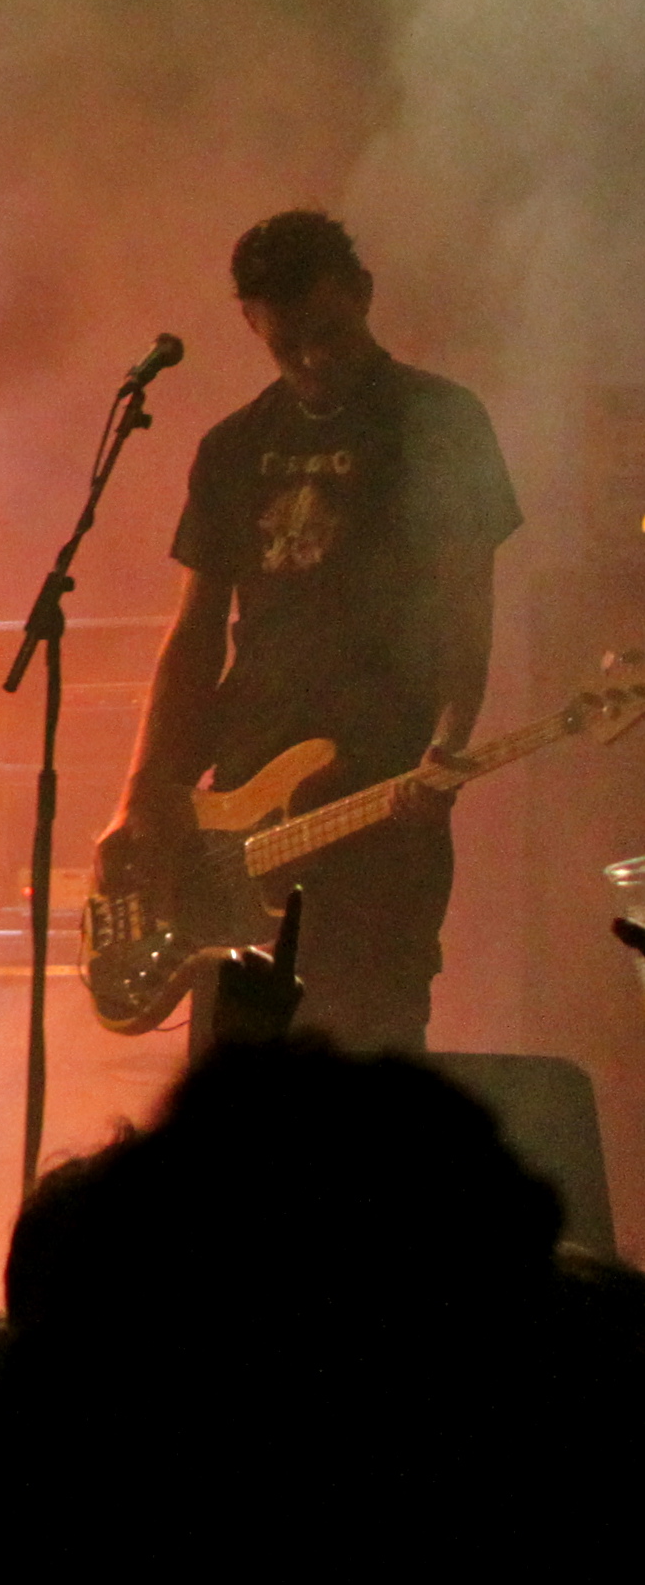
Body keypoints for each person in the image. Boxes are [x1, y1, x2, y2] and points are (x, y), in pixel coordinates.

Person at [103, 209, 519, 1051]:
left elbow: (465, 611)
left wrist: (446, 744)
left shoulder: (439, 423)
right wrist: (142, 794)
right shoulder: (232, 447)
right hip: (239, 816)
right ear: (249, 324)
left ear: (363, 293)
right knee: (239, 1084)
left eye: (328, 333)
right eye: (285, 344)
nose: (311, 359)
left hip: (376, 804)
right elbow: (193, 636)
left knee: (367, 1064)